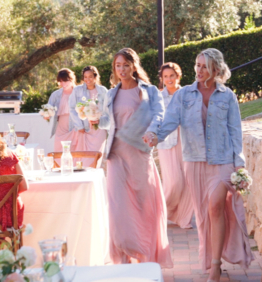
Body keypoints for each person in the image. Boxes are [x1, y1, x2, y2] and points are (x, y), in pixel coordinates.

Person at [149, 48, 254, 281]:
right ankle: (210, 256)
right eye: (197, 65)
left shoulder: (227, 96)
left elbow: (235, 131)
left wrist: (239, 164)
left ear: (216, 69)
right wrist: (155, 137)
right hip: (194, 161)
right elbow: (170, 122)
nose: (199, 70)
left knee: (216, 207)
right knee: (204, 215)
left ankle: (215, 265)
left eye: (204, 66)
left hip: (222, 160)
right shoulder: (184, 94)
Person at [98, 48, 172, 267]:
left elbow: (159, 114)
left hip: (139, 154)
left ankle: (145, 255)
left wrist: (152, 131)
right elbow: (105, 122)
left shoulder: (148, 91)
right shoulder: (111, 94)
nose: (121, 70)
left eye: (125, 65)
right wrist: (94, 119)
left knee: (143, 206)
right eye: (117, 66)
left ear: (134, 66)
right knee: (118, 207)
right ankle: (122, 256)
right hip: (116, 156)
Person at [156, 62, 193, 229]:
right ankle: (159, 212)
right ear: (162, 79)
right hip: (166, 142)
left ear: (178, 76)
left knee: (188, 180)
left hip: (187, 141)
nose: (169, 79)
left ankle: (183, 218)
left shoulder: (189, 94)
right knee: (174, 182)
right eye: (166, 76)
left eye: (172, 75)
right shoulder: (158, 97)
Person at [69, 66, 108, 167]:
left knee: (96, 158)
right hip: (84, 130)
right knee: (83, 158)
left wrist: (102, 121)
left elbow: (108, 110)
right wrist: (79, 125)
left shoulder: (103, 91)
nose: (87, 79)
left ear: (95, 77)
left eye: (90, 76)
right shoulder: (77, 90)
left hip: (99, 130)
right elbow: (72, 109)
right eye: (85, 77)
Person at [46, 68, 80, 152]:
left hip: (75, 128)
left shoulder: (79, 92)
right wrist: (46, 115)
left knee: (74, 153)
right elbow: (48, 109)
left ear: (71, 80)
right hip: (60, 128)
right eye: (60, 81)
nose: (62, 84)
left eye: (65, 81)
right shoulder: (55, 94)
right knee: (58, 151)